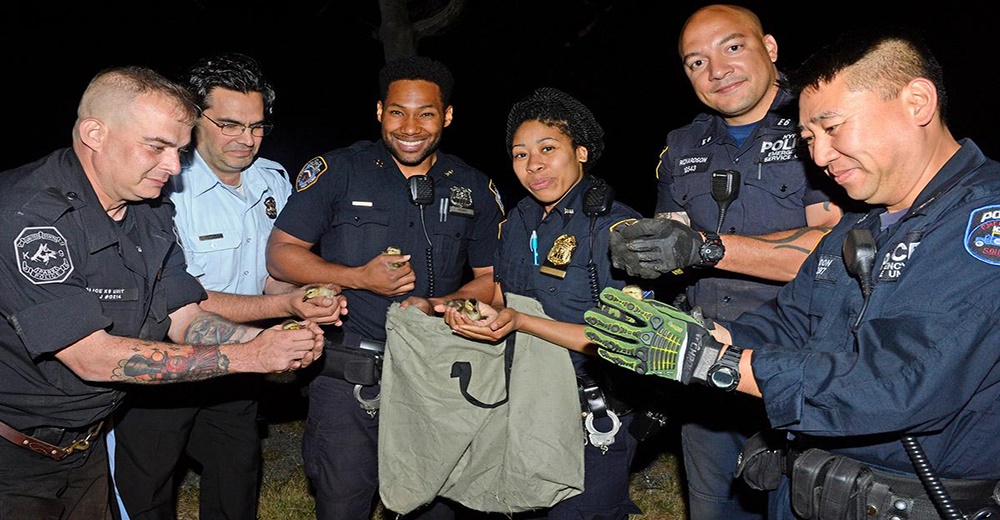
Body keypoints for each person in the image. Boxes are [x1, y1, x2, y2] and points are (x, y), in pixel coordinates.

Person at [587, 27, 1000, 520]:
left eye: (833, 128)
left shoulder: (983, 221)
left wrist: (716, 362)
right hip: (812, 491)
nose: (821, 157)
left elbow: (896, 381)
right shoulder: (861, 224)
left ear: (916, 102)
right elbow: (789, 322)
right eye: (808, 139)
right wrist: (696, 335)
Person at [0, 66, 326, 520]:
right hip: (12, 457)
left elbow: (184, 314)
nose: (174, 168)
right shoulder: (30, 216)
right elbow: (91, 356)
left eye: (180, 151)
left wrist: (267, 343)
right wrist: (251, 358)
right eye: (157, 147)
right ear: (94, 133)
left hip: (85, 445)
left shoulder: (148, 209)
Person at [608, 5, 843, 519]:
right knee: (715, 508)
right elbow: (670, 246)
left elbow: (835, 248)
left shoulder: (819, 123)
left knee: (806, 504)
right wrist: (637, 256)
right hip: (704, 362)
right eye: (696, 62)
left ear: (771, 49)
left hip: (802, 365)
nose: (716, 71)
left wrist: (703, 246)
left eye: (732, 47)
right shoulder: (682, 145)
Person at [265, 55, 505, 520]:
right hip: (349, 375)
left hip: (435, 374)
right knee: (342, 504)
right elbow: (281, 252)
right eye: (397, 111)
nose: (410, 126)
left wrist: (436, 305)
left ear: (447, 116)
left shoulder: (473, 187)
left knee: (433, 503)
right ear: (379, 111)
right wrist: (358, 278)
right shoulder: (337, 171)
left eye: (426, 113)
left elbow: (491, 281)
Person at [109, 53, 345, 520]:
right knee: (146, 490)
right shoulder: (163, 186)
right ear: (194, 119)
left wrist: (306, 300)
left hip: (239, 365)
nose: (247, 139)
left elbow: (273, 274)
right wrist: (278, 309)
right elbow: (181, 299)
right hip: (163, 365)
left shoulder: (274, 179)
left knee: (236, 479)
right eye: (230, 125)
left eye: (257, 126)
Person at [441, 87, 644, 519]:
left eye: (547, 149)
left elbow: (627, 339)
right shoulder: (519, 219)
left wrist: (520, 322)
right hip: (523, 400)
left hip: (590, 410)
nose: (532, 165)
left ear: (582, 152)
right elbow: (499, 290)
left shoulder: (618, 228)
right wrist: (451, 306)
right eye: (519, 154)